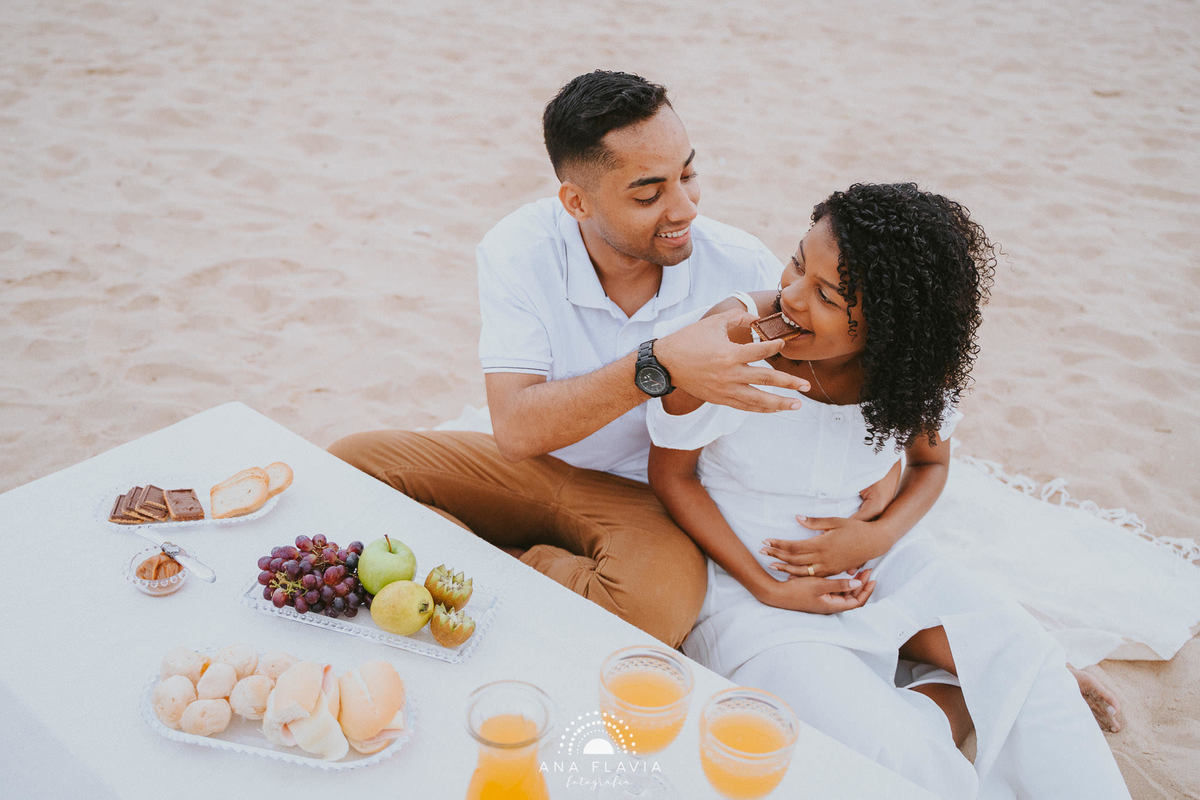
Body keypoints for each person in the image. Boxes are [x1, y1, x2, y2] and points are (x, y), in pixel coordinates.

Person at [328, 70, 898, 647]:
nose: (684, 208)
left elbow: (834, 366)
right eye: (649, 194)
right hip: (530, 468)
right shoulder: (519, 250)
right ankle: (530, 571)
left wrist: (884, 460)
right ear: (577, 201)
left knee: (653, 612)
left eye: (689, 174)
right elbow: (517, 430)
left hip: (649, 499)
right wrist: (662, 363)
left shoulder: (739, 265)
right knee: (347, 464)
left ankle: (491, 565)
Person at [647, 183, 1129, 798]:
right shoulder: (735, 336)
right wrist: (770, 586)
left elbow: (930, 466)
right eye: (797, 261)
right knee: (892, 759)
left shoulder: (910, 372)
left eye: (826, 294)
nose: (791, 295)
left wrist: (875, 534)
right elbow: (671, 475)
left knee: (1029, 657)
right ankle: (945, 704)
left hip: (877, 564)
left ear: (892, 326)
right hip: (749, 588)